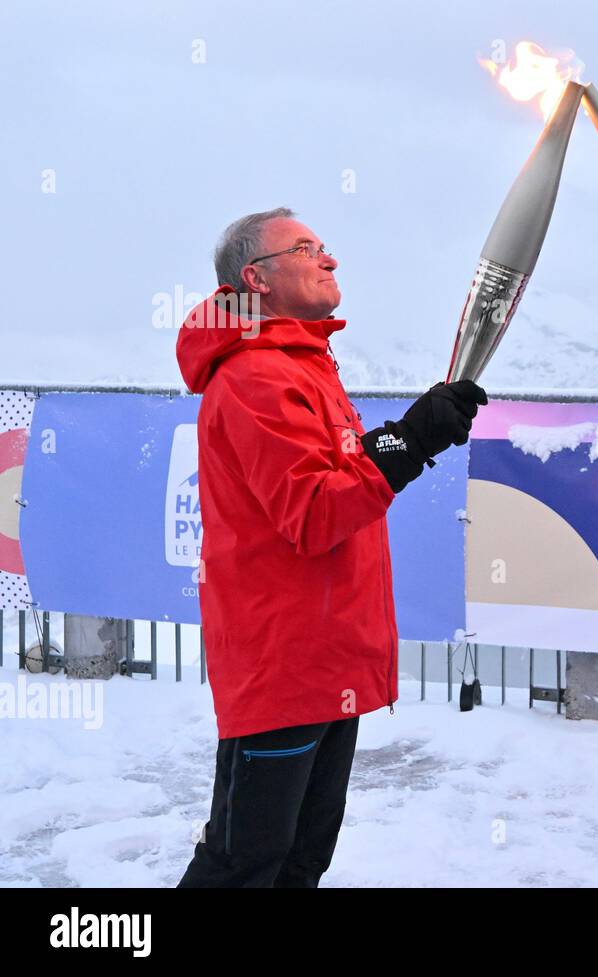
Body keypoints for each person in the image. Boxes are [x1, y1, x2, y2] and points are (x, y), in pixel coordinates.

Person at [174, 207, 487, 886]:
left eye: (324, 246)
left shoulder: (307, 366)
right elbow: (315, 510)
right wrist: (412, 438)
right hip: (282, 666)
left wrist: (409, 435)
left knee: (299, 862)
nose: (329, 258)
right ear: (256, 278)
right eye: (307, 248)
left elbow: (345, 481)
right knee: (243, 866)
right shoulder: (255, 377)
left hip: (325, 663)